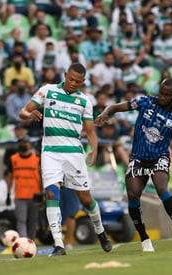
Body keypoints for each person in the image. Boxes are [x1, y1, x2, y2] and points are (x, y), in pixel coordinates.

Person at [95, 78, 172, 252]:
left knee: (162, 189)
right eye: (161, 92)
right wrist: (105, 113)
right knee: (133, 195)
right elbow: (116, 107)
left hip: (159, 158)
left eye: (167, 95)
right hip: (138, 158)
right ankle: (144, 238)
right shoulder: (145, 102)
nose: (162, 97)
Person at [19, 62, 112, 256]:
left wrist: (93, 150)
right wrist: (30, 114)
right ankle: (59, 245)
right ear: (64, 75)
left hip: (74, 153)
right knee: (52, 193)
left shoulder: (85, 101)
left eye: (78, 82)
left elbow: (90, 131)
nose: (73, 83)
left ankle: (100, 230)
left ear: (83, 82)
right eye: (71, 79)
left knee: (85, 199)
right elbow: (23, 112)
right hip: (50, 152)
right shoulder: (48, 91)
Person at [8, 136, 41, 241]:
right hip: (20, 195)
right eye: (20, 143)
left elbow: (41, 176)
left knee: (33, 221)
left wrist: (43, 192)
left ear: (30, 145)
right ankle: (24, 242)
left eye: (25, 143)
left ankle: (31, 241)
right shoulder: (13, 159)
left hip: (34, 195)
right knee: (21, 220)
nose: (22, 145)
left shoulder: (37, 159)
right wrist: (8, 193)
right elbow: (9, 177)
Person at [60, 186, 80, 250]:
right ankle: (58, 241)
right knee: (56, 213)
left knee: (70, 215)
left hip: (70, 185)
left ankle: (69, 242)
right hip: (56, 183)